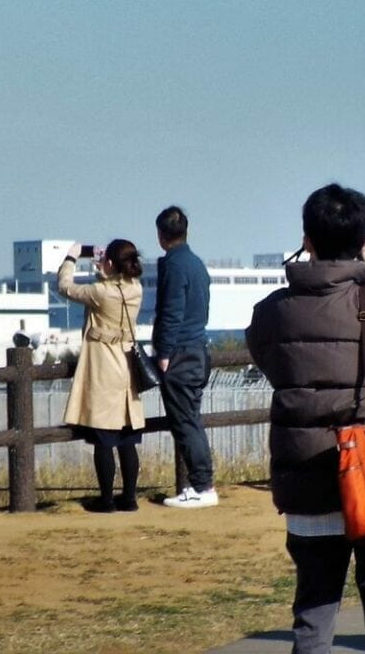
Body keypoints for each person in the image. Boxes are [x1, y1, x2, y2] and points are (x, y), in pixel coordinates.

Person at [247, 184, 365, 654]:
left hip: (308, 480)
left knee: (313, 617)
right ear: (364, 239)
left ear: (306, 238)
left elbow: (271, 361)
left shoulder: (273, 311)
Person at [56, 238, 147, 511]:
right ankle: (129, 498)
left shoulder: (99, 292)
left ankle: (106, 500)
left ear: (109, 263)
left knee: (104, 438)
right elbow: (114, 287)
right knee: (127, 438)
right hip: (127, 364)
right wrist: (105, 269)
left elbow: (65, 287)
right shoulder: (136, 289)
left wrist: (71, 258)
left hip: (104, 368)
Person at [153, 205, 216, 508]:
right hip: (199, 349)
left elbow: (171, 312)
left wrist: (164, 352)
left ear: (161, 235)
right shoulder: (196, 264)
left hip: (181, 353)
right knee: (191, 419)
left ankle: (203, 487)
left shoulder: (174, 266)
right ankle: (202, 485)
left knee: (186, 422)